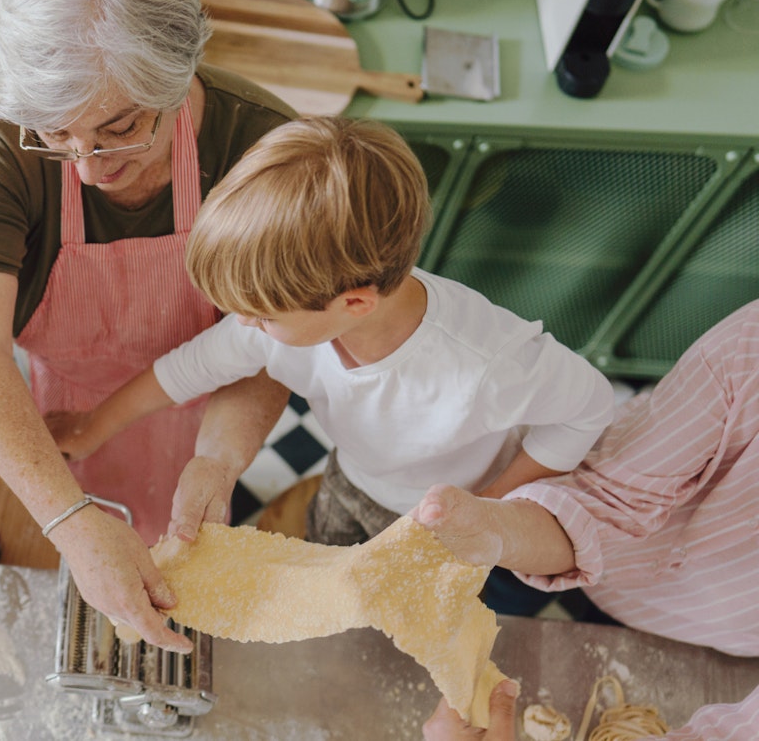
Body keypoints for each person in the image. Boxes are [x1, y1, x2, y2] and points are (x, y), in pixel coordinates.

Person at [0, 0, 298, 650]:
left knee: (179, 534)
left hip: (206, 399)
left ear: (178, 69)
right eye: (56, 136)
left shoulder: (265, 150)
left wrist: (219, 460)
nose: (89, 169)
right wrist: (68, 520)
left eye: (119, 130)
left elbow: (274, 340)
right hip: (60, 401)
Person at [49, 117, 615, 550]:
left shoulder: (485, 361)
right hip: (353, 475)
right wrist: (95, 427)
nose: (244, 326)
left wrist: (490, 506)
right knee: (328, 549)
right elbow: (192, 366)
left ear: (354, 303)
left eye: (262, 316)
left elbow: (588, 408)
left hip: (451, 508)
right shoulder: (291, 314)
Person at [418, 299, 759, 740]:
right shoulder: (750, 350)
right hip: (579, 549)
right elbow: (608, 500)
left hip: (725, 637)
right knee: (489, 605)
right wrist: (498, 531)